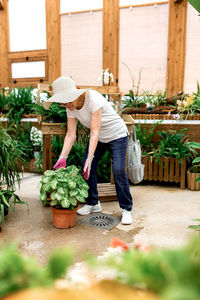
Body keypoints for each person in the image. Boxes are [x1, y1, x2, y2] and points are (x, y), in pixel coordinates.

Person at [44, 76, 133, 225]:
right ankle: (93, 203)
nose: (65, 105)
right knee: (87, 167)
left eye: (67, 101)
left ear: (75, 93)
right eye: (62, 103)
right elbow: (71, 134)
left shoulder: (93, 99)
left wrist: (91, 158)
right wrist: (63, 157)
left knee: (118, 170)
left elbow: (94, 132)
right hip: (99, 138)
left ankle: (126, 209)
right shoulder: (70, 108)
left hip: (116, 135)